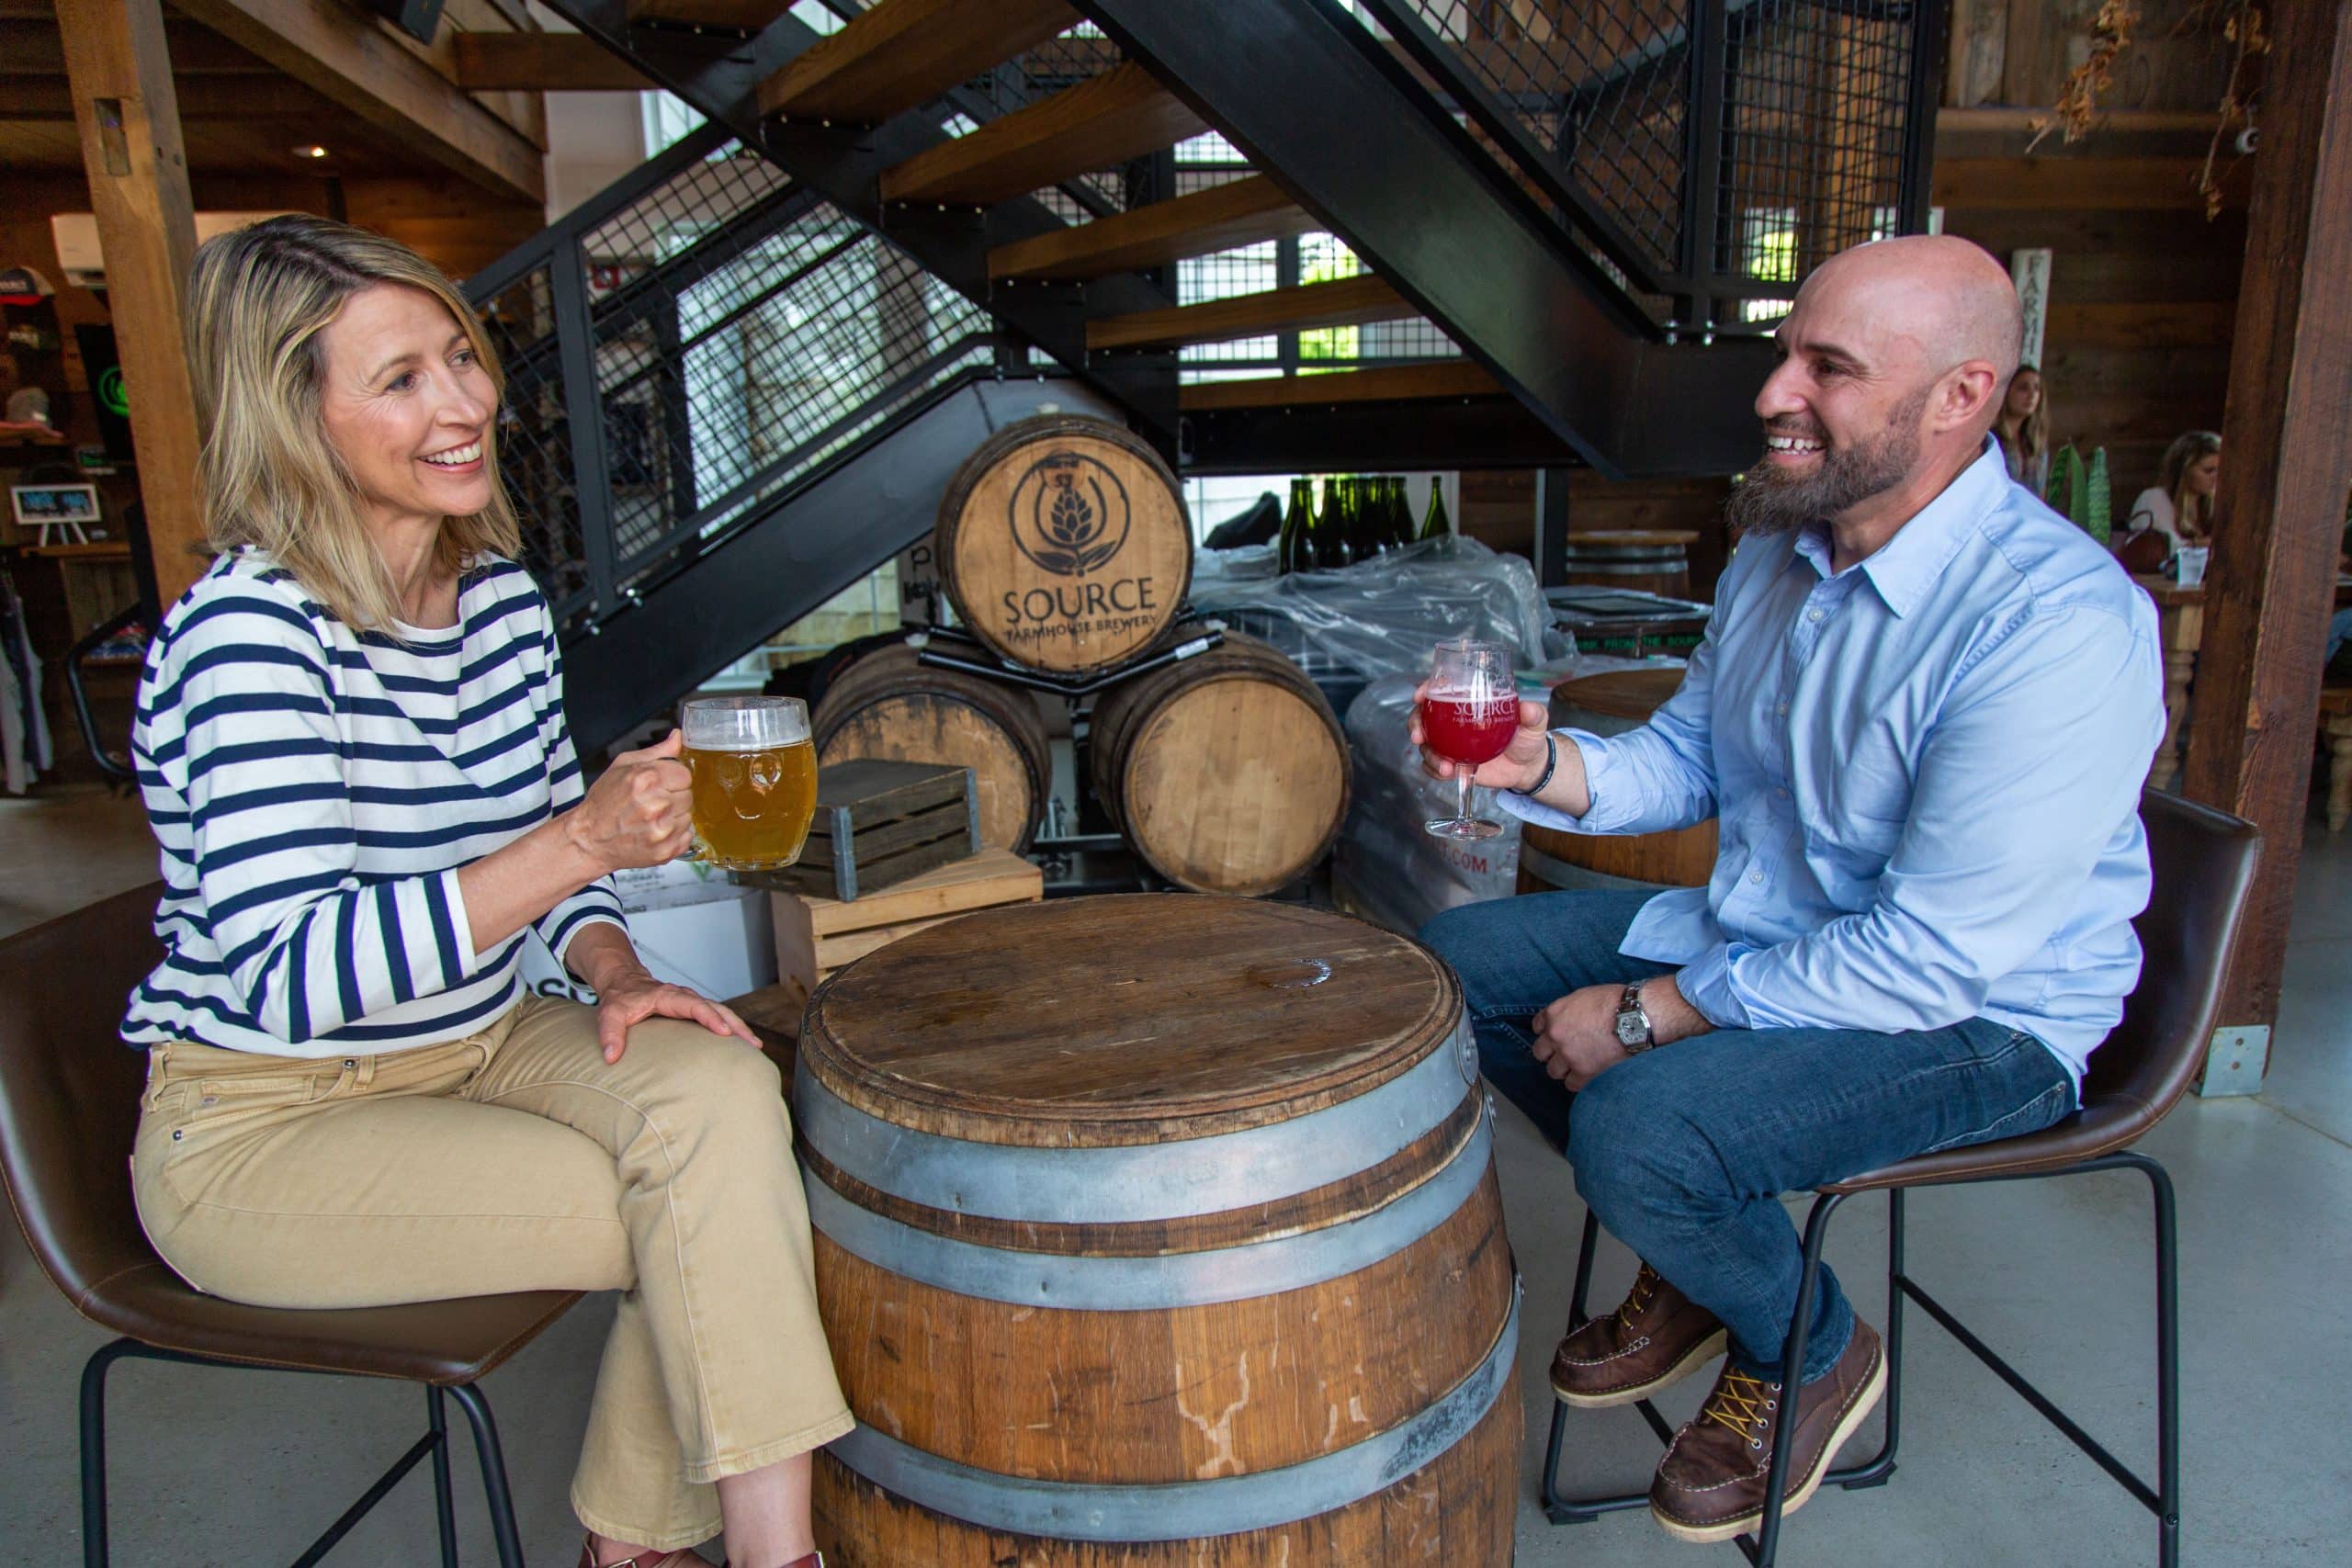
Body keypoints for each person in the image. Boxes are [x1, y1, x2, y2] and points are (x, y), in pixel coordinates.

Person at [1417, 234, 2162, 1545]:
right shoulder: (1777, 547)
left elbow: (1928, 958)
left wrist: (1646, 1013)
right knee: (1448, 975)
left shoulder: (2054, 624)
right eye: (1785, 352)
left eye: (1829, 366)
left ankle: (1806, 1337)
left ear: (1960, 397)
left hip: (1985, 1017)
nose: (1773, 393)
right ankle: (1719, 1262)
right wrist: (1551, 763)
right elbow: (1690, 756)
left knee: (1642, 1127)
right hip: (1782, 934)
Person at [124, 216, 843, 1568]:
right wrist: (579, 839)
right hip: (266, 1111)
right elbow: (296, 971)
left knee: (725, 1091)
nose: (464, 405)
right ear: (293, 412)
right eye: (400, 379)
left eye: (461, 357)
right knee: (703, 1206)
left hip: (482, 1036)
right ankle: (683, 1550)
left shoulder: (499, 600)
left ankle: (702, 1549)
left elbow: (531, 858)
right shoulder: (249, 635)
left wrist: (619, 970)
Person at [2120, 430, 2222, 554]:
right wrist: (2198, 544)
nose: (2217, 478)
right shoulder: (2154, 498)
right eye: (2208, 471)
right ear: (2184, 470)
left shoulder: (2213, 503)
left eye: (2220, 470)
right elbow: (2164, 548)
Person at [1991, 361, 2048, 496]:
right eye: (2023, 388)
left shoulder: (2036, 444)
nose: (2031, 395)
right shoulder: (1991, 439)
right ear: (2006, 392)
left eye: (2036, 388)